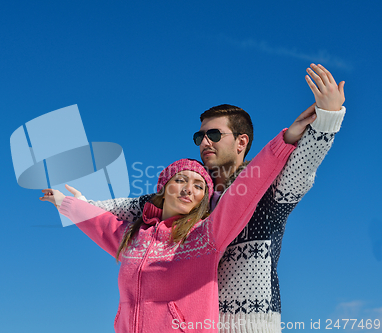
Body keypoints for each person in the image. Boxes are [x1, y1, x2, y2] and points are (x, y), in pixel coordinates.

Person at [82, 63, 346, 332]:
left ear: (241, 142)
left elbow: (304, 164)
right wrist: (80, 204)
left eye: (214, 134)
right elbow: (132, 206)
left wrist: (329, 116)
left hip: (252, 325)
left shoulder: (269, 190)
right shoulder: (193, 197)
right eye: (200, 136)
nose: (204, 142)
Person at [40, 129, 296, 331]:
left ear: (203, 200)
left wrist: (284, 141)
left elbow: (247, 190)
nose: (188, 189)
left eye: (198, 186)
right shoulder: (133, 238)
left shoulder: (206, 236)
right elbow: (99, 223)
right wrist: (66, 203)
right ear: (164, 187)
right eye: (181, 180)